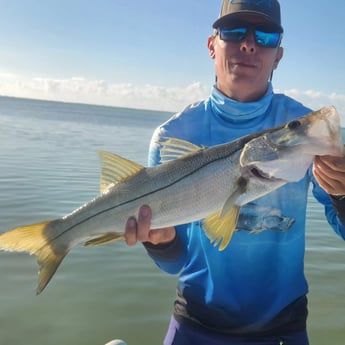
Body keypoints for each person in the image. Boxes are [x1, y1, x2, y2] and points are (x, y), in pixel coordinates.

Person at [124, 1, 345, 344]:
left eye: (266, 35)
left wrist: (342, 193)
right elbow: (174, 264)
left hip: (282, 327)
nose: (249, 44)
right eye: (234, 31)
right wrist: (161, 242)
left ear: (279, 56)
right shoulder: (172, 137)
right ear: (212, 45)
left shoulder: (304, 131)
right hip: (196, 323)